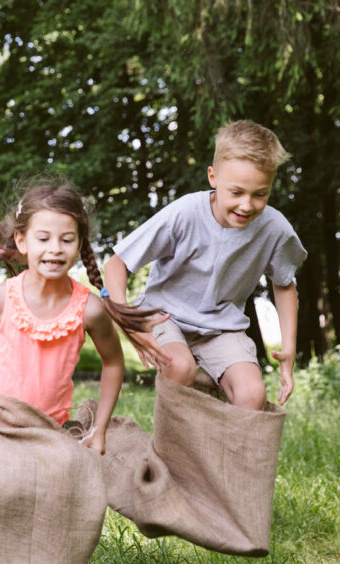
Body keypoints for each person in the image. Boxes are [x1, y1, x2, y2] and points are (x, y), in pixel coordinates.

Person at [104, 120, 307, 411]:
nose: (246, 205)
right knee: (180, 367)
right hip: (165, 315)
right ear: (213, 177)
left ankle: (225, 440)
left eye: (259, 194)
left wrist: (289, 348)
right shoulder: (185, 213)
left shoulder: (274, 229)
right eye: (236, 192)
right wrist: (128, 320)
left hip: (221, 326)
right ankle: (174, 439)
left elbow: (284, 283)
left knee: (252, 395)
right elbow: (117, 264)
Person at [0, 181, 154, 454]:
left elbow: (114, 362)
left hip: (46, 429)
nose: (55, 248)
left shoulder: (89, 310)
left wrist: (99, 428)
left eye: (66, 240)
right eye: (43, 239)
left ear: (79, 244)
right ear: (22, 241)